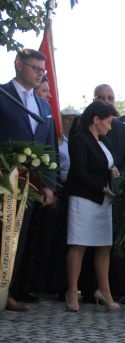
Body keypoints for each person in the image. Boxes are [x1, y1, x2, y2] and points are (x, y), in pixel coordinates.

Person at [0, 48, 56, 311]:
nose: (40, 74)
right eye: (36, 68)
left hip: (29, 183)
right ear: (19, 65)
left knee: (17, 237)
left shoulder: (44, 106)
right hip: (3, 177)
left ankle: (6, 290)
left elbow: (49, 147)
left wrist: (48, 183)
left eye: (43, 70)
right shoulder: (2, 94)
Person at [64, 101, 121, 312]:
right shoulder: (80, 139)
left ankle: (104, 292)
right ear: (96, 120)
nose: (110, 126)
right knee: (79, 245)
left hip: (102, 201)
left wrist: (112, 172)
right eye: (108, 122)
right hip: (84, 198)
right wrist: (103, 189)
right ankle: (71, 291)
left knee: (104, 247)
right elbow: (79, 172)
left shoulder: (103, 141)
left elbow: (101, 167)